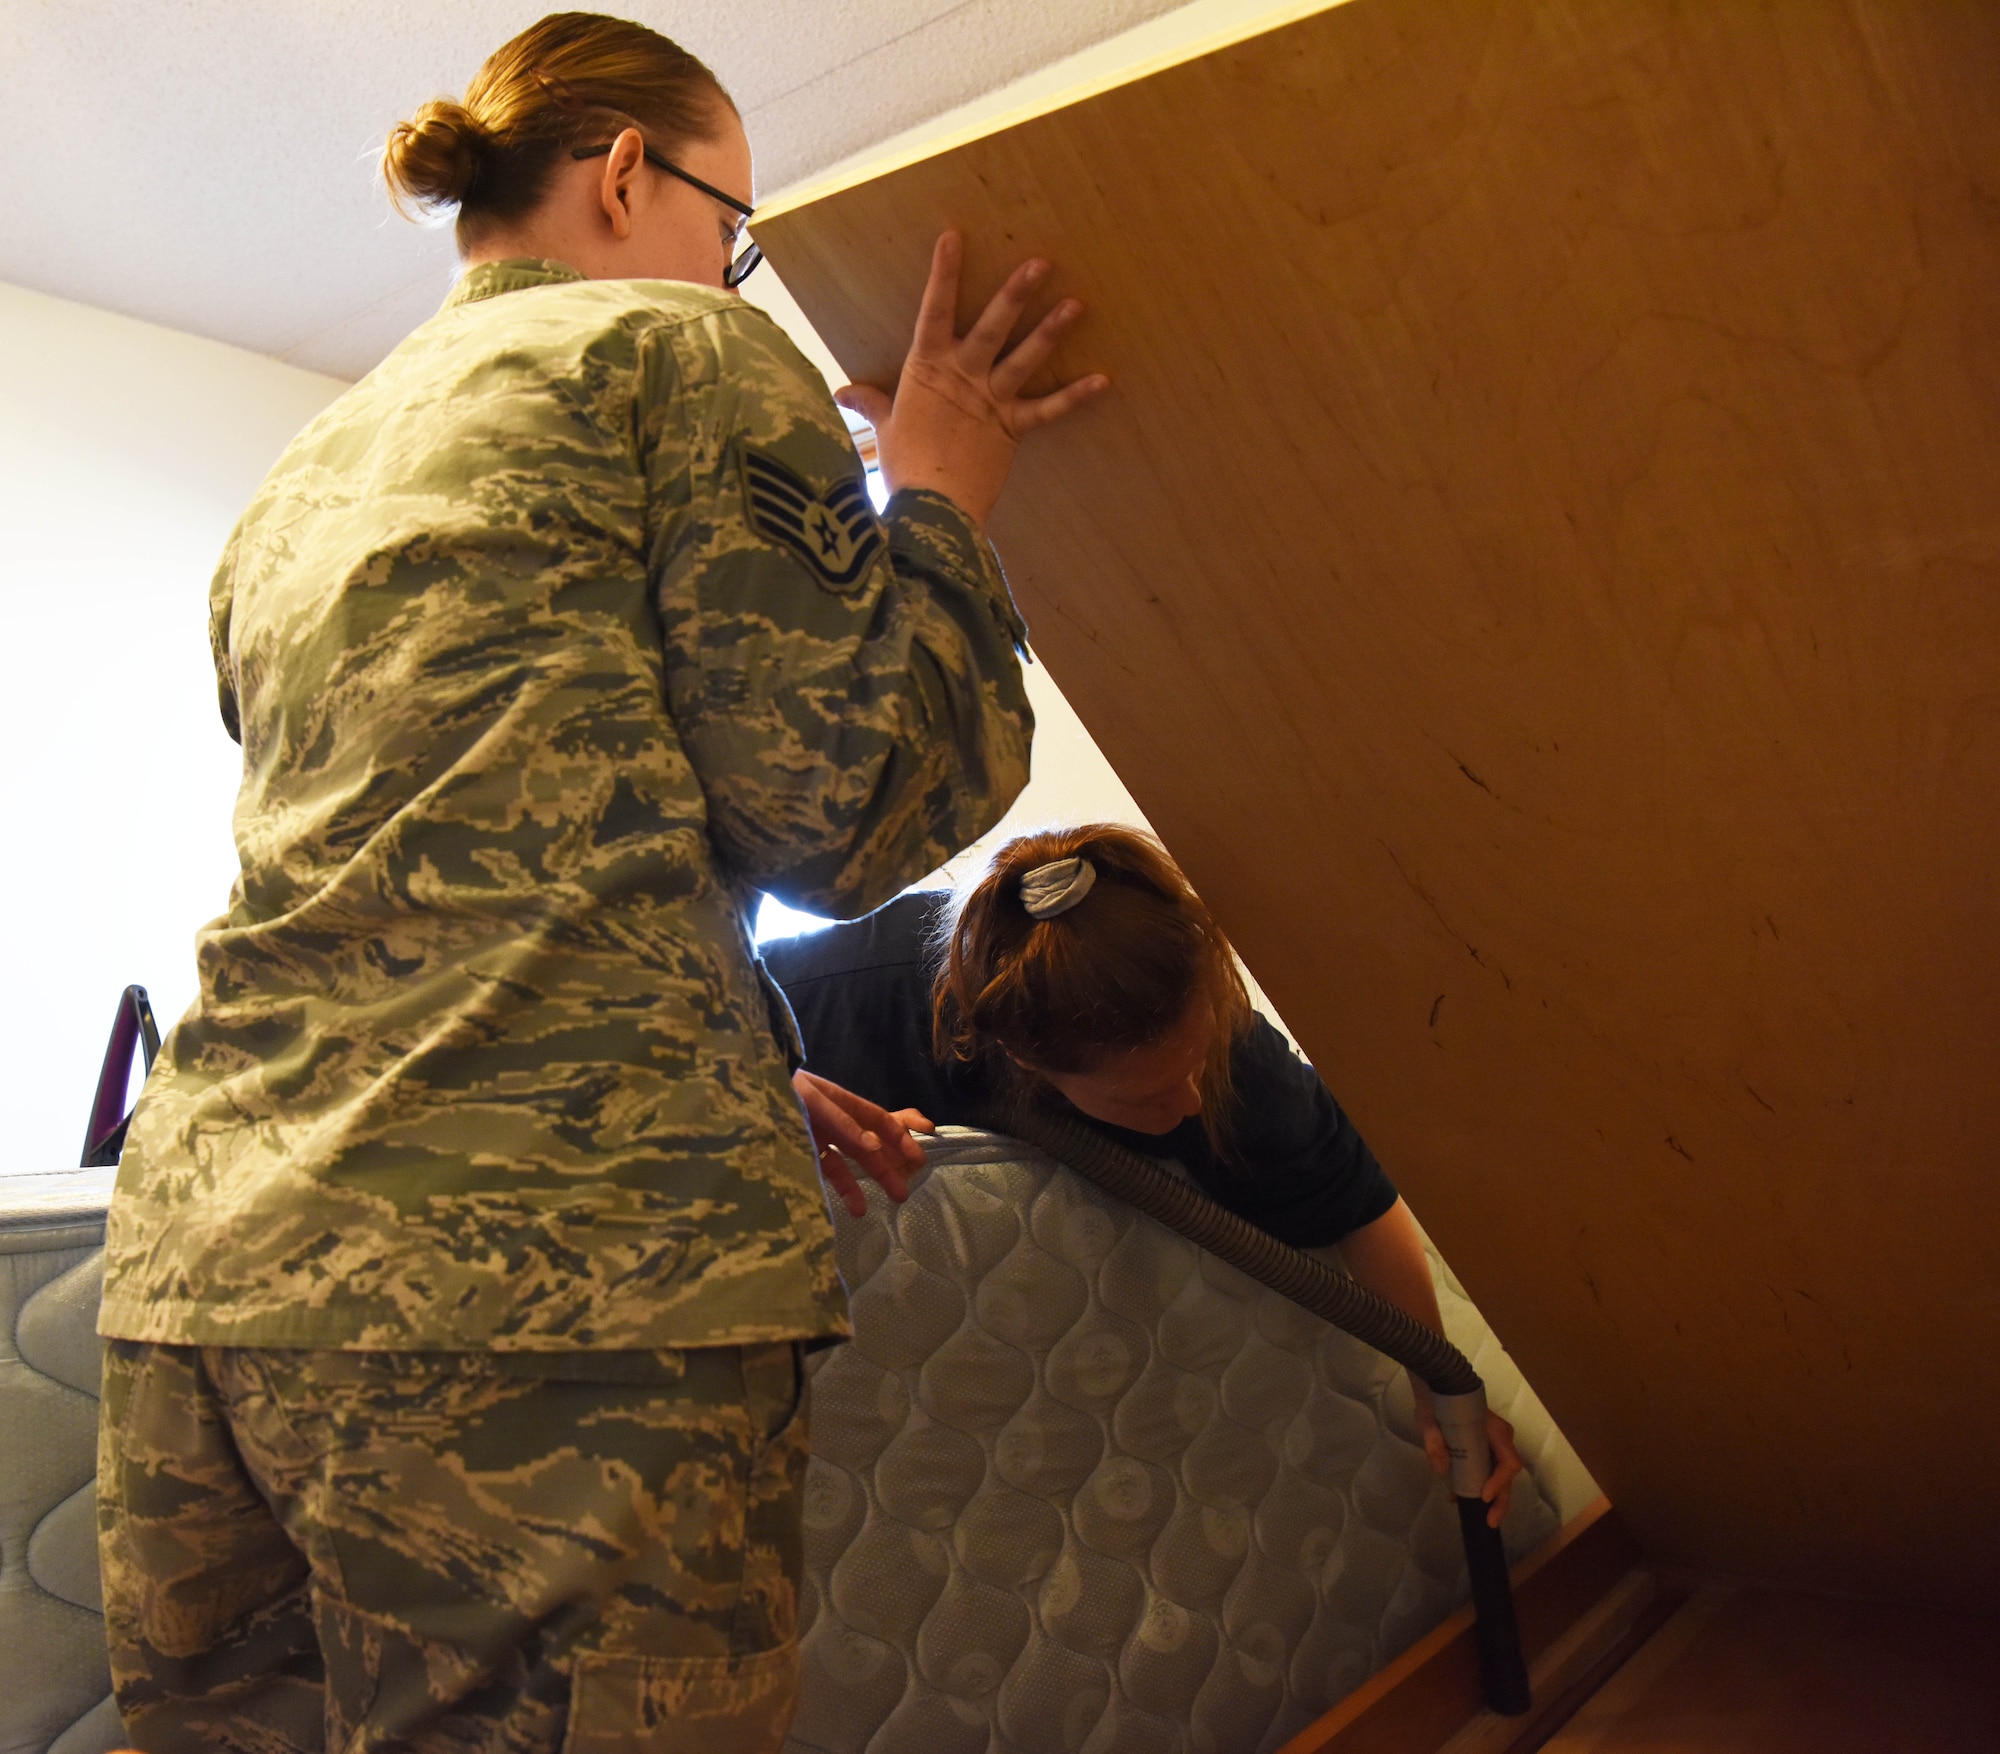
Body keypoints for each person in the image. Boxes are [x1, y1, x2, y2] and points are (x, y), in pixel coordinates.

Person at [94, 13, 1107, 1753]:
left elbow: (421, 855)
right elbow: (839, 801)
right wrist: (939, 495)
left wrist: (690, 1062)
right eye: (743, 228)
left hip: (203, 1273)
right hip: (541, 1299)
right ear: (631, 172)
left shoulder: (304, 473)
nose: (741, 271)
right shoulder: (675, 347)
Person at [763, 824, 1524, 1521]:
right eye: (1150, 1094)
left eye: (1193, 1065)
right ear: (1028, 1062)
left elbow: (1360, 1203)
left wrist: (1439, 1393)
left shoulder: (1233, 1059)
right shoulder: (830, 998)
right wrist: (765, 1105)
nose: (1189, 1100)